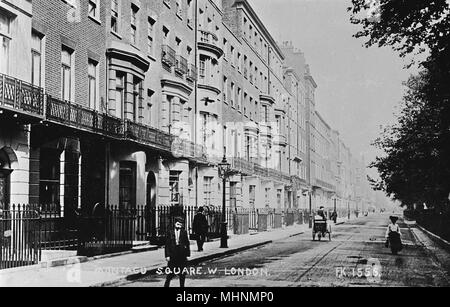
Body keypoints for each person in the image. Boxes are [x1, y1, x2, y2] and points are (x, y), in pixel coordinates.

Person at [164, 217, 191, 287]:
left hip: (181, 254)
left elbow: (187, 243)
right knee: (170, 273)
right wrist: (167, 255)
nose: (179, 226)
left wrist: (188, 254)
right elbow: (167, 244)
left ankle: (182, 286)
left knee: (182, 273)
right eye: (178, 224)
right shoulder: (170, 232)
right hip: (173, 254)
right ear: (175, 223)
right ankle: (166, 285)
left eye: (180, 225)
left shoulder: (184, 232)